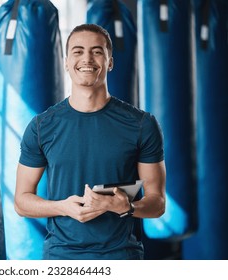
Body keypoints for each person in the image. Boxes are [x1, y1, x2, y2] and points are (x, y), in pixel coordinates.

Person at [14, 24, 166, 260]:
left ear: (110, 62)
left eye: (97, 51)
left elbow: (157, 203)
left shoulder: (142, 124)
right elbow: (22, 201)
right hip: (61, 258)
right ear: (66, 62)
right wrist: (61, 206)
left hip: (120, 257)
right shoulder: (41, 126)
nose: (87, 58)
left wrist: (127, 207)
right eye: (78, 51)